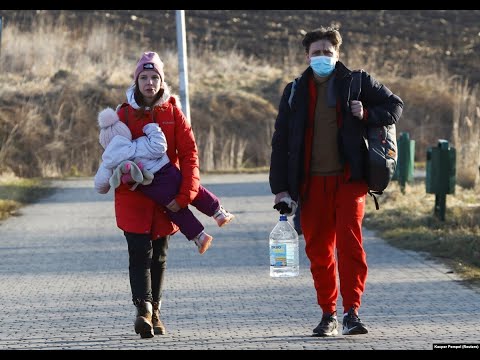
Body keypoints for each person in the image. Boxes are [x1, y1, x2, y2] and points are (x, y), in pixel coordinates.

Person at [269, 27, 403, 337]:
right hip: (311, 185)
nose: (322, 58)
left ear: (337, 54)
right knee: (319, 250)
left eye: (327, 53)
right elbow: (280, 142)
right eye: (316, 53)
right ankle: (327, 313)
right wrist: (280, 187)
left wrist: (367, 112)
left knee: (350, 246)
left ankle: (351, 312)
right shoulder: (294, 90)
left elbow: (395, 106)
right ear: (306, 56)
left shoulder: (357, 82)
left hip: (348, 181)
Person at [93, 51, 219, 339]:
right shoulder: (122, 113)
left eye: (155, 77)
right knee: (138, 254)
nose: (149, 82)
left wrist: (186, 194)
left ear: (162, 81)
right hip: (133, 196)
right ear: (136, 81)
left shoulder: (173, 112)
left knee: (159, 256)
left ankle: (156, 310)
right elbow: (110, 152)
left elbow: (189, 155)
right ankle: (143, 311)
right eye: (144, 77)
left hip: (166, 195)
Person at [94, 109, 235, 253]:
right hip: (167, 173)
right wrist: (153, 129)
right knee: (196, 191)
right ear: (126, 133)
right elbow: (160, 147)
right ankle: (218, 213)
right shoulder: (138, 144)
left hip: (153, 188)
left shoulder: (109, 161)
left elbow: (100, 185)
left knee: (175, 211)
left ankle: (199, 237)